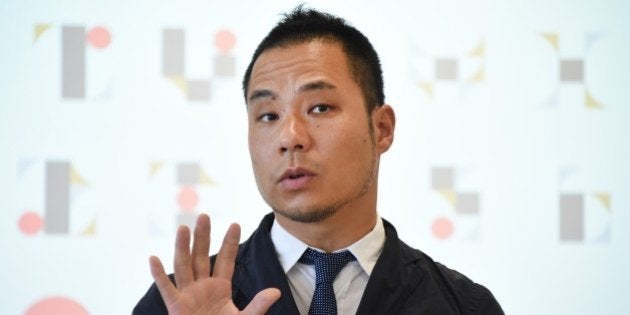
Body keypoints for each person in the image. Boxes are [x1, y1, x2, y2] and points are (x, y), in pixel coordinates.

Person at [133, 6, 503, 315]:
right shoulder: (176, 305)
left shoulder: (464, 307)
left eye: (320, 108)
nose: (290, 137)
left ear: (382, 128)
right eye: (268, 116)